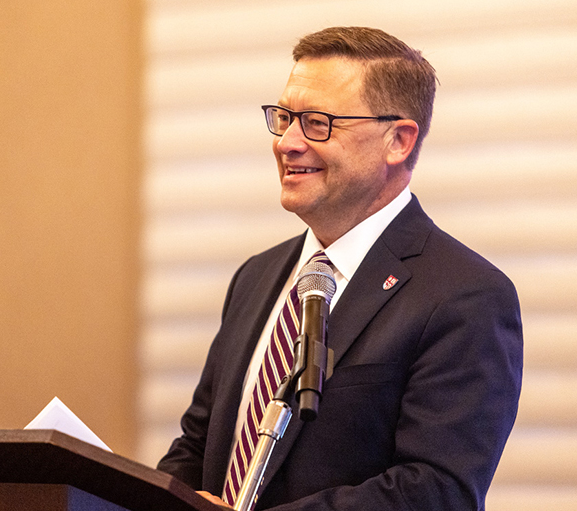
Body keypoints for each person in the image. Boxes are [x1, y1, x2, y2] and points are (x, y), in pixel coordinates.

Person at [155, 26, 523, 510]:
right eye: (284, 118)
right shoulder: (256, 276)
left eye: (316, 123)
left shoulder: (466, 296)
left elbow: (436, 491)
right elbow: (198, 448)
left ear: (398, 140)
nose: (287, 143)